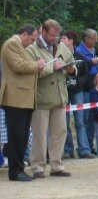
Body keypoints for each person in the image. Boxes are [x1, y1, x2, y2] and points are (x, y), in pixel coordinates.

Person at [27, 19, 76, 178]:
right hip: (42, 97)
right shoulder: (32, 49)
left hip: (60, 96)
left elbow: (71, 63)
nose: (55, 39)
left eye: (57, 36)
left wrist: (71, 69)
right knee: (40, 134)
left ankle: (56, 165)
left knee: (59, 131)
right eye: (52, 36)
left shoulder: (62, 46)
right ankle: (37, 167)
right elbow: (32, 71)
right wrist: (51, 67)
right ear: (43, 32)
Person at [0, 24, 45, 182]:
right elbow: (18, 65)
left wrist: (37, 65)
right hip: (15, 98)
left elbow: (24, 65)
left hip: (24, 98)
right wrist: (37, 65)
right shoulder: (11, 44)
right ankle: (15, 171)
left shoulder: (20, 46)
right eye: (31, 39)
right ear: (25, 34)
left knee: (23, 136)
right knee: (16, 135)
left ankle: (19, 169)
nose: (31, 43)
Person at [61, 30, 95, 159]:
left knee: (80, 121)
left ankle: (84, 150)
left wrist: (76, 82)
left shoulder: (80, 56)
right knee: (64, 122)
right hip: (64, 91)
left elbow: (85, 76)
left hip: (77, 91)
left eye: (64, 38)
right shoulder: (58, 55)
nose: (61, 41)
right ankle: (68, 150)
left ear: (71, 41)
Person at [76, 28, 98, 153]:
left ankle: (90, 145)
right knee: (86, 117)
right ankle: (85, 146)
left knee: (92, 116)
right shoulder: (79, 51)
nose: (96, 41)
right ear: (87, 39)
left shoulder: (93, 50)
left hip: (94, 87)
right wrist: (90, 62)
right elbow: (80, 66)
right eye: (94, 38)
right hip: (85, 87)